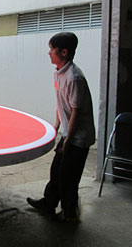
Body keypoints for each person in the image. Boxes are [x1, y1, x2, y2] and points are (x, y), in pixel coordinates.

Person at [27, 32, 95, 223]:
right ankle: (49, 203)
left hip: (78, 137)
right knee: (56, 170)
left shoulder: (74, 78)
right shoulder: (59, 73)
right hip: (68, 133)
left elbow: (75, 112)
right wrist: (56, 126)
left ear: (63, 52)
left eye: (52, 49)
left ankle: (70, 214)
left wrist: (68, 140)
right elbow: (61, 104)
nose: (49, 53)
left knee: (69, 177)